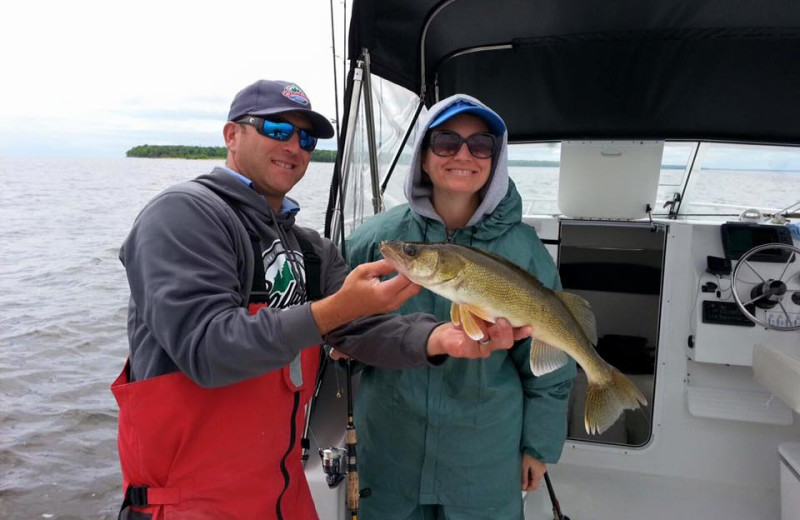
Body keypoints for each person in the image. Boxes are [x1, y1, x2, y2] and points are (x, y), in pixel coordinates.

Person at [111, 80, 529, 520]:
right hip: (190, 504)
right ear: (232, 135)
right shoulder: (184, 215)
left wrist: (439, 340)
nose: (294, 146)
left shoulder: (310, 249)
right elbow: (207, 349)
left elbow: (357, 328)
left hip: (282, 490)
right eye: (276, 129)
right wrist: (336, 308)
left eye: (306, 138)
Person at [344, 94, 577, 519]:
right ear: (423, 157)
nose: (464, 155)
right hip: (393, 448)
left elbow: (552, 361)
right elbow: (344, 334)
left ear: (495, 159)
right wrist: (339, 345)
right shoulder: (376, 239)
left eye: (481, 145)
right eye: (447, 142)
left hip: (483, 456)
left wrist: (539, 447)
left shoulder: (523, 250)